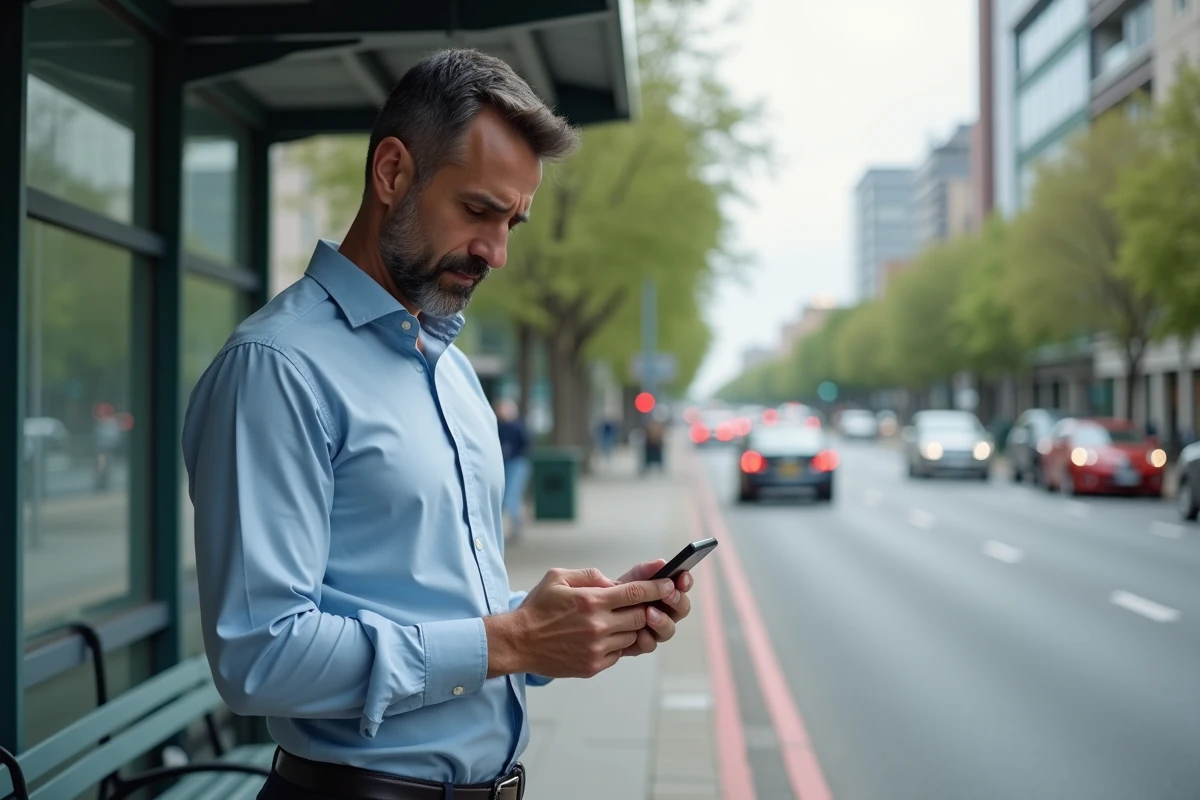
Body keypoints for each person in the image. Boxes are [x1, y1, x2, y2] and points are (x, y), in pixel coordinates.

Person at [182, 50, 693, 800]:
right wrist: (511, 640)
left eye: (512, 221)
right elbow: (260, 656)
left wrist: (565, 626)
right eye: (479, 211)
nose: (498, 252)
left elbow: (439, 616)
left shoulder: (451, 370)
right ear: (392, 173)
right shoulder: (276, 368)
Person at [495, 399, 531, 539]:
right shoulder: (499, 426)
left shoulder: (517, 426)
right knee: (507, 496)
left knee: (512, 495)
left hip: (517, 463)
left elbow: (526, 445)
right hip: (505, 464)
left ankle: (517, 527)